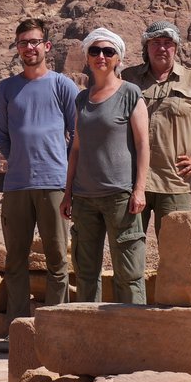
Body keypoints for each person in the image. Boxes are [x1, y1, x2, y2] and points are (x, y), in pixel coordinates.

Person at [0, 18, 78, 333]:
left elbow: (77, 133)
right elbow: (1, 134)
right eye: (23, 43)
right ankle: (17, 330)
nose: (29, 47)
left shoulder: (62, 85)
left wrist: (64, 170)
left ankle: (54, 331)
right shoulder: (7, 88)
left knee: (57, 260)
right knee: (15, 261)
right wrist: (15, 158)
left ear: (46, 46)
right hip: (16, 185)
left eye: (34, 42)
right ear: (17, 48)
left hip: (54, 185)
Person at [61, 27, 149, 304]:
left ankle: (133, 337)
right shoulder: (81, 98)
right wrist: (67, 192)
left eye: (108, 51)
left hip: (119, 195)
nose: (101, 56)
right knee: (86, 272)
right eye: (95, 51)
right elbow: (76, 147)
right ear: (87, 57)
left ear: (117, 58)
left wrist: (139, 189)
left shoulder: (130, 93)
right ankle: (89, 336)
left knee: (129, 271)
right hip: (84, 197)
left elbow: (143, 144)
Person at [122, 21, 191, 236]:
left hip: (174, 184)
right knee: (129, 248)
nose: (162, 48)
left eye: (168, 43)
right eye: (156, 42)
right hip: (132, 182)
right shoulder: (128, 78)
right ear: (146, 46)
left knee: (176, 253)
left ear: (176, 47)